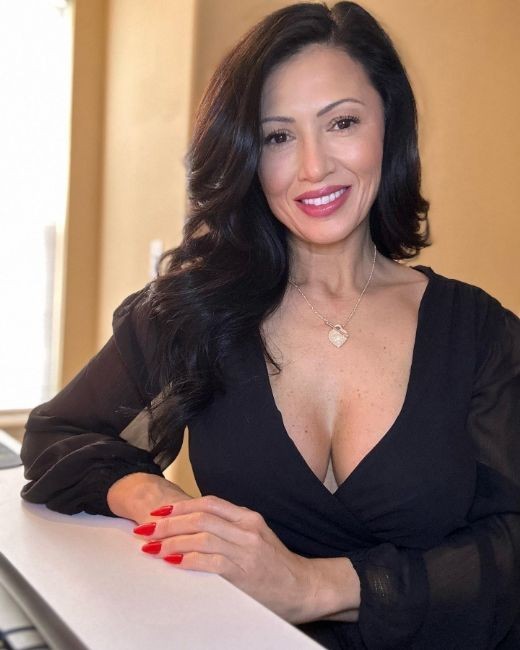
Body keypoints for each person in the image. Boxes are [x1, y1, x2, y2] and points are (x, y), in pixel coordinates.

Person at [20, 2, 519, 648]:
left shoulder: (481, 335)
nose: (313, 167)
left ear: (389, 127)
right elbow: (58, 435)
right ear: (247, 157)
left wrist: (313, 584)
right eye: (277, 137)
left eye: (341, 122)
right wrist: (162, 504)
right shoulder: (195, 310)